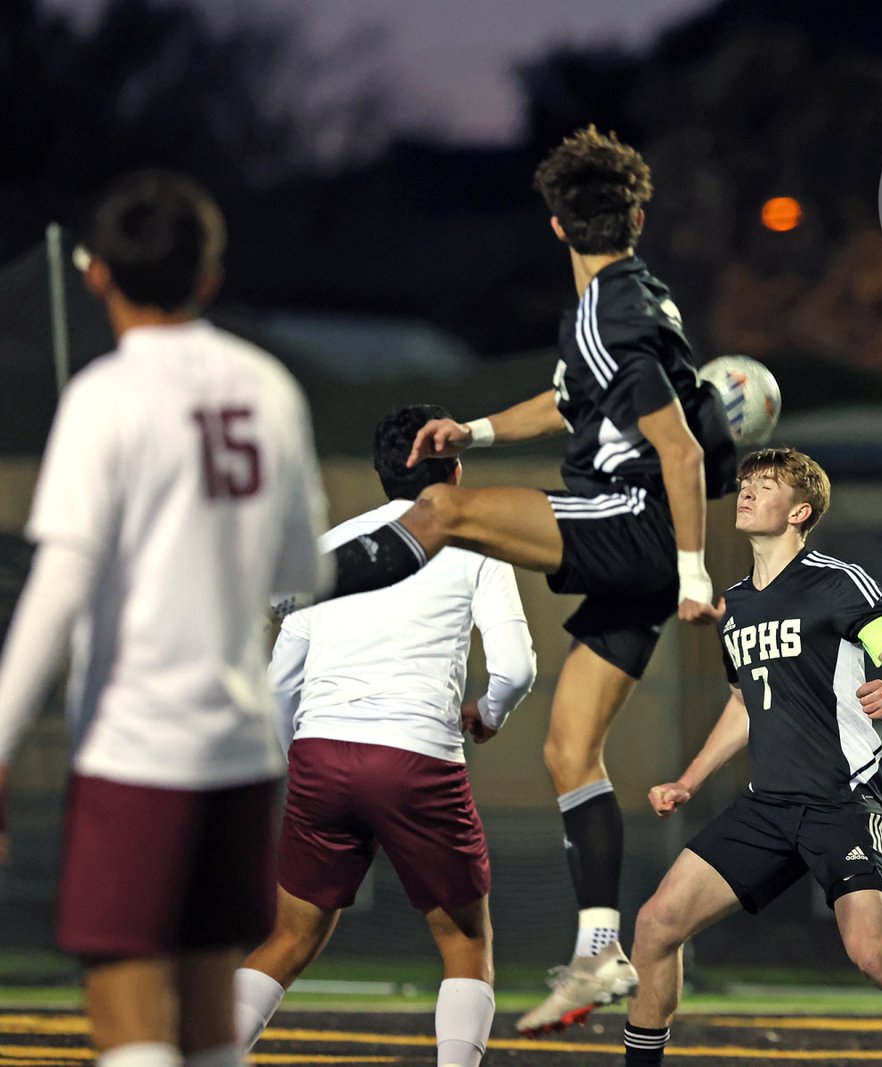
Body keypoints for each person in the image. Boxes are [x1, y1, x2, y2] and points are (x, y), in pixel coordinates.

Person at [309, 126, 739, 1034]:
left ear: (555, 226)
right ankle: (599, 950)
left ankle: (285, 588)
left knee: (443, 509)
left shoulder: (612, 311)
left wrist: (693, 571)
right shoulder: (626, 301)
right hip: (643, 538)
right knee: (569, 751)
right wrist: (475, 431)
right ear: (637, 219)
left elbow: (680, 449)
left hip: (633, 521)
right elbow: (570, 400)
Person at [0, 171, 327, 1067]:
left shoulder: (106, 396)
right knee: (209, 1019)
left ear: (96, 273)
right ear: (208, 277)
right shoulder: (269, 387)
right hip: (241, 751)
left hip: (135, 748)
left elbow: (59, 583)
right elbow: (303, 573)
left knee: (129, 1017)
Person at [619, 447, 882, 1067]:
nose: (746, 492)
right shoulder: (736, 605)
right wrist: (689, 780)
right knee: (656, 924)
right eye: (745, 483)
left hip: (840, 799)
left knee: (874, 955)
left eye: (765, 485)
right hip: (767, 805)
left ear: (800, 511)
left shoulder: (837, 583)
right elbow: (744, 704)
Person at [232, 405, 536, 1066]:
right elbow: (516, 668)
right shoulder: (475, 544)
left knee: (289, 939)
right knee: (465, 944)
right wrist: (489, 713)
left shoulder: (329, 550)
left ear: (381, 473)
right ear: (454, 470)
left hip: (320, 756)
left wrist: (298, 764)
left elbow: (280, 684)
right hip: (414, 757)